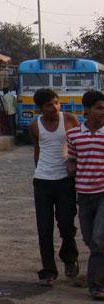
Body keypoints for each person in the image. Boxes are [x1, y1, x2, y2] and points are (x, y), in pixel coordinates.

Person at [28, 88, 80, 286]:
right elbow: (37, 151)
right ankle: (49, 269)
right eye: (49, 104)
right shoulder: (34, 126)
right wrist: (38, 172)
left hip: (65, 179)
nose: (54, 107)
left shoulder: (69, 119)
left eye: (56, 103)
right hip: (42, 180)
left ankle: (69, 256)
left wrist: (75, 166)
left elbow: (78, 145)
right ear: (40, 108)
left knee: (66, 223)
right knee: (44, 226)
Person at [67, 90, 104, 299]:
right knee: (90, 239)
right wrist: (70, 167)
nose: (103, 112)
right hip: (84, 194)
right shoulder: (74, 135)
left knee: (99, 239)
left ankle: (96, 285)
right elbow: (72, 159)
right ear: (87, 110)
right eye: (99, 108)